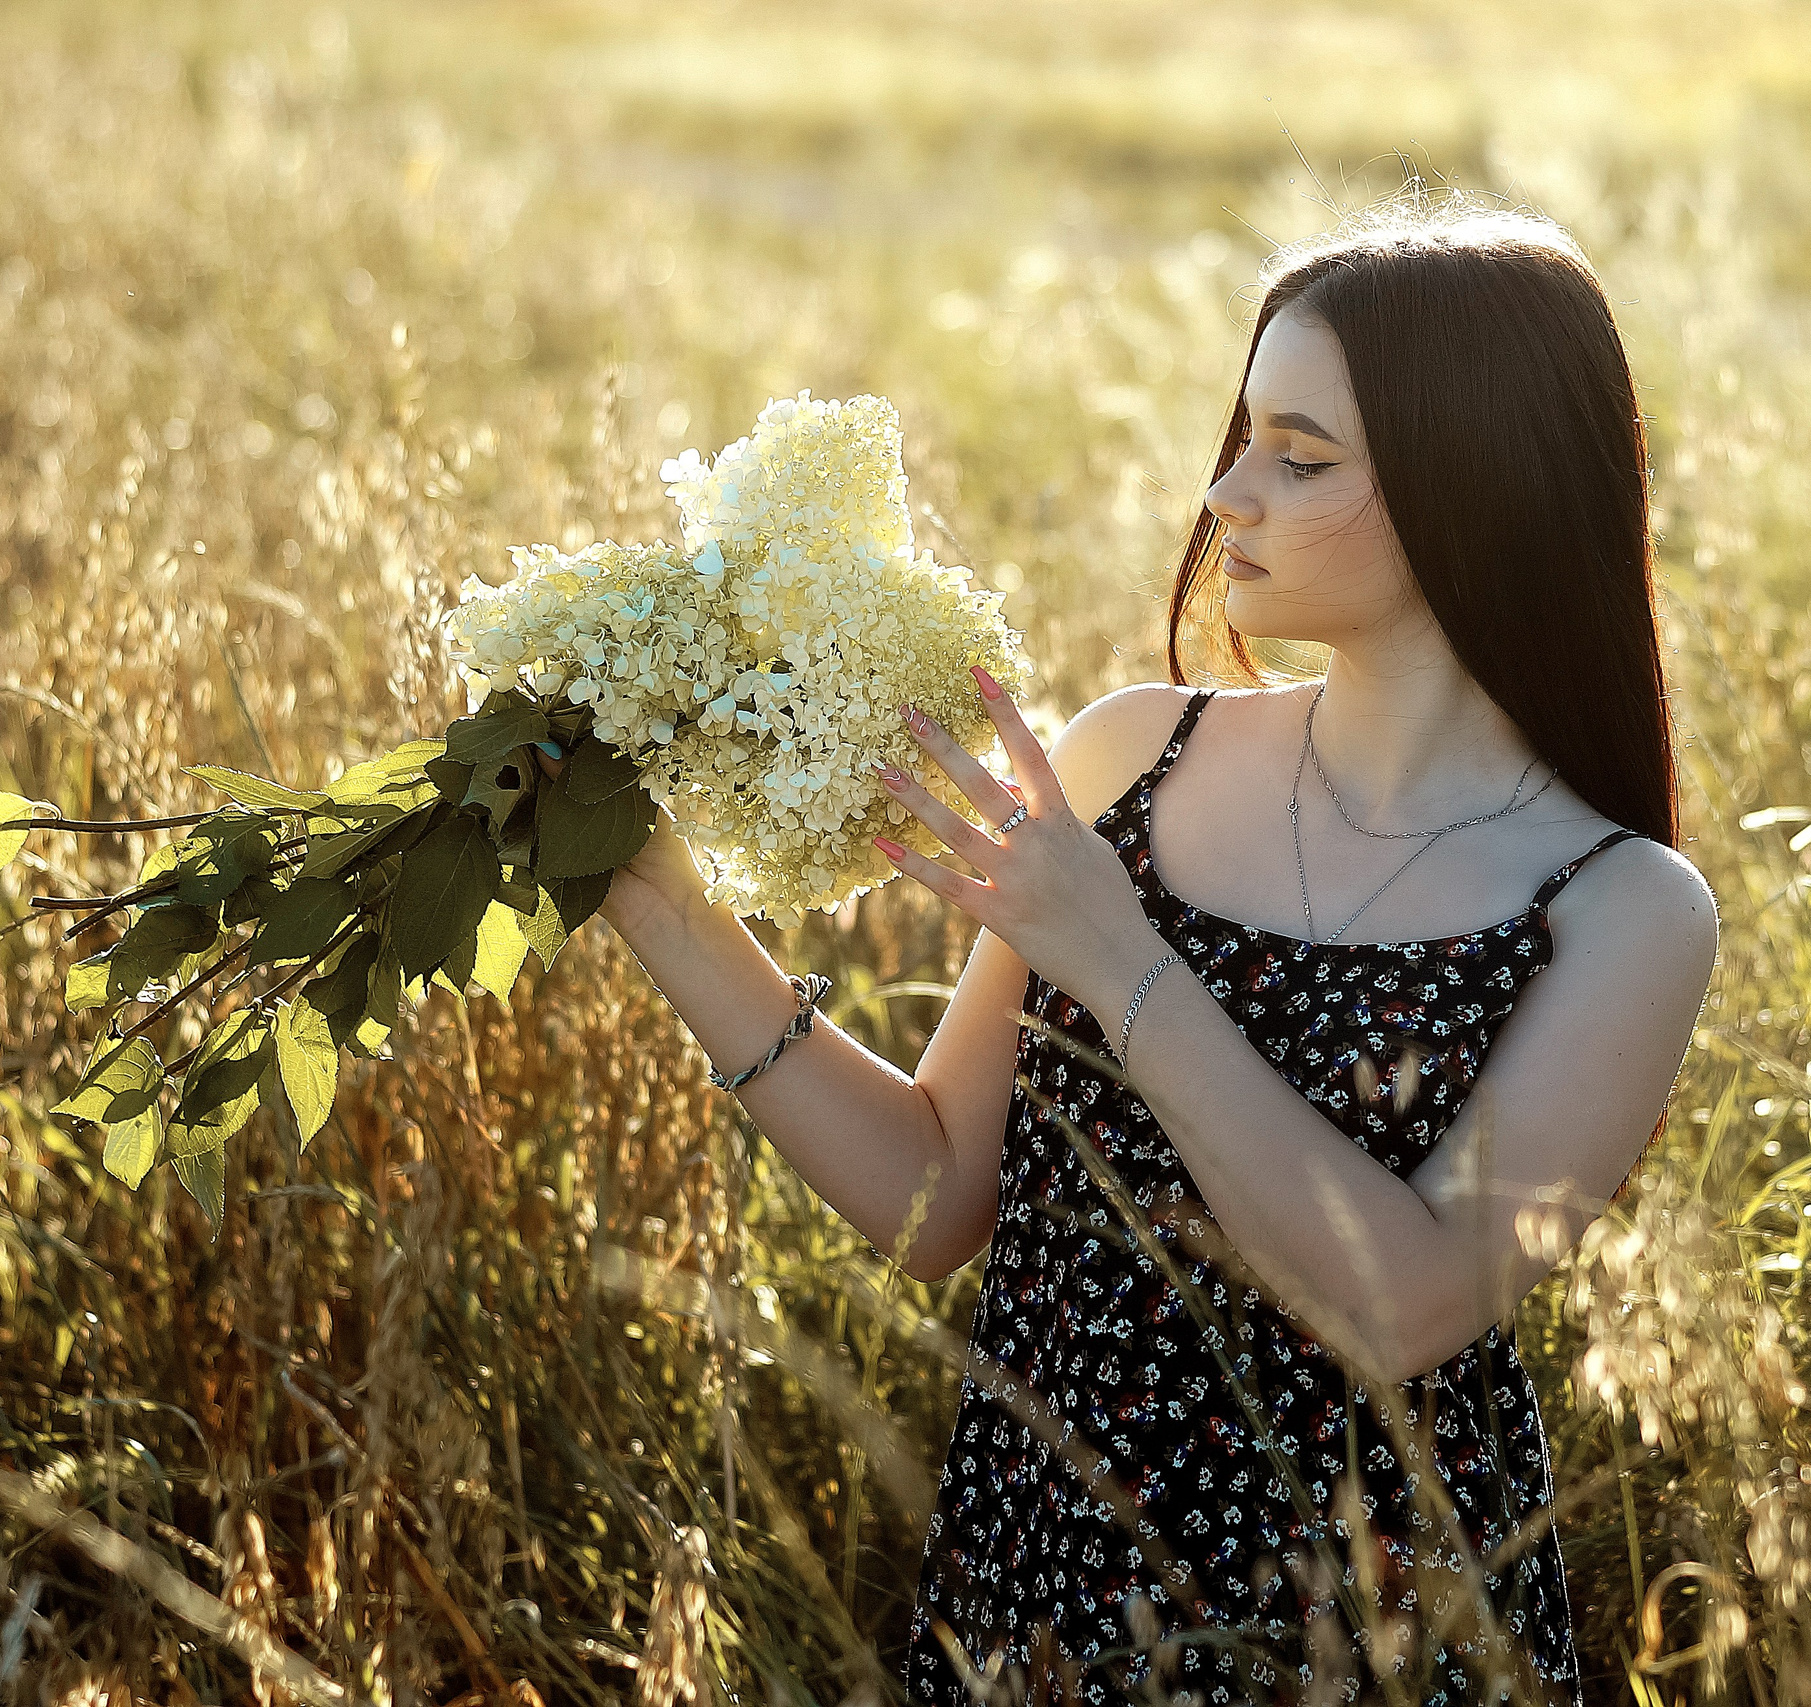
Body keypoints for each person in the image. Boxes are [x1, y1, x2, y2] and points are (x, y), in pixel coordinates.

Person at [593, 192, 1718, 1706]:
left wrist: (1114, 954)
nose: (1229, 496)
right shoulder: (1137, 755)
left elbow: (1413, 1308)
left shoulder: (1621, 906)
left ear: (1480, 483)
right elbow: (933, 1197)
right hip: (1046, 1593)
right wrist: (654, 898)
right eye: (1242, 438)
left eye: (1301, 455)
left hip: (1362, 1635)